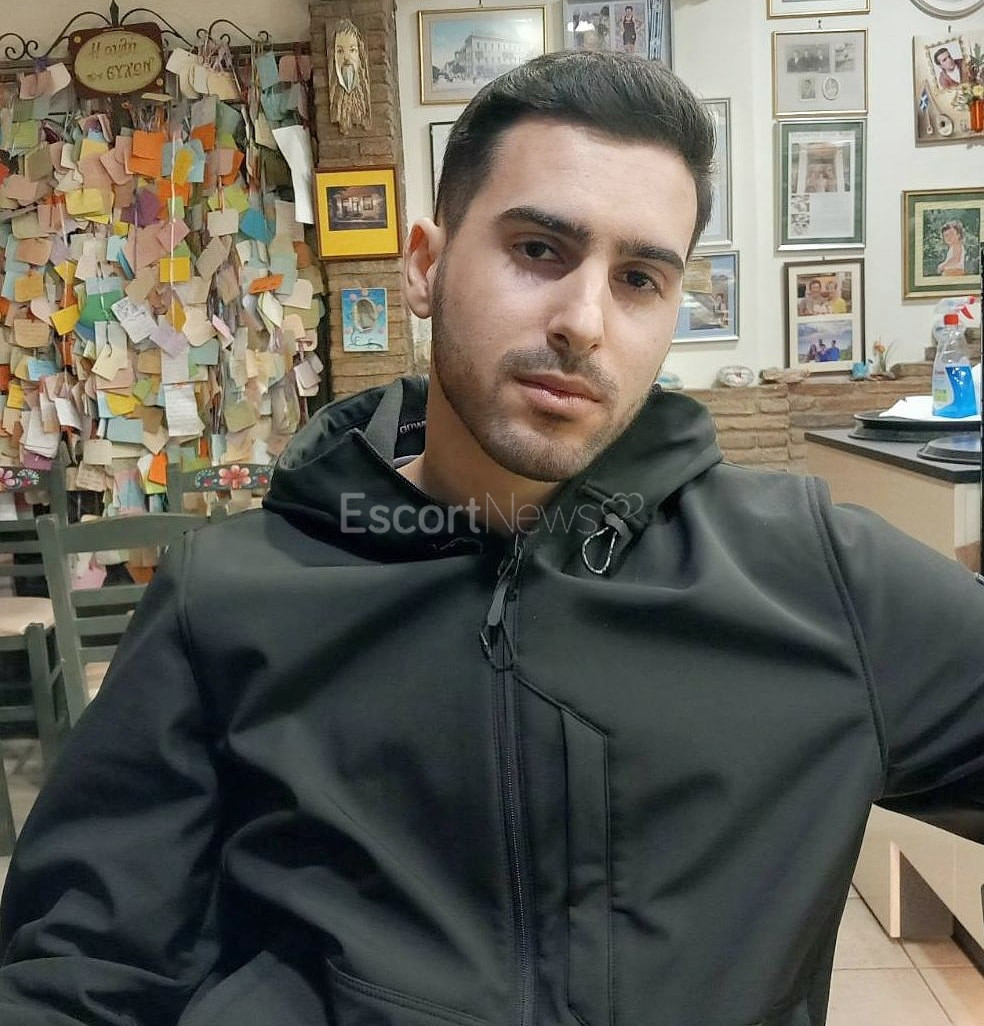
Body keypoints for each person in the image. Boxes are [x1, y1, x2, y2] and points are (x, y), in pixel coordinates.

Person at [3, 50, 984, 1026]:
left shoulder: (815, 578)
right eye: (539, 250)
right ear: (425, 267)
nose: (583, 322)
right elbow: (79, 971)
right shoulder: (226, 597)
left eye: (639, 278)